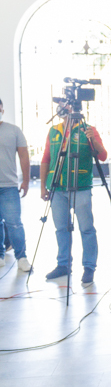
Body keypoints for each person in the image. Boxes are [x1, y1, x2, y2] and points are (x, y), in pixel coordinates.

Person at [40, 104, 108, 286]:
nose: (64, 109)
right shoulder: (54, 131)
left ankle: (89, 266)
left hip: (81, 185)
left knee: (86, 228)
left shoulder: (88, 129)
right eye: (62, 106)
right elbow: (46, 159)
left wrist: (93, 140)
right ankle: (63, 264)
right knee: (61, 228)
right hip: (57, 187)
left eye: (68, 106)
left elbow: (103, 156)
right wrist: (42, 187)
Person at [0, 98, 31, 271]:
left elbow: (24, 156)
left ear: (2, 110)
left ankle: (22, 257)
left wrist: (26, 180)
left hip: (9, 186)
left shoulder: (13, 131)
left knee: (14, 223)